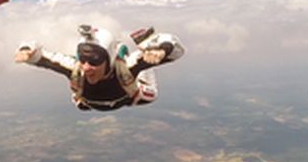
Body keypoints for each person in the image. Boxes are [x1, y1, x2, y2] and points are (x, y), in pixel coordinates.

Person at [15, 25, 185, 111]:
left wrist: (162, 50)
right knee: (80, 103)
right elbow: (40, 54)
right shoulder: (75, 68)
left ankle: (147, 42)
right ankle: (144, 47)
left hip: (130, 96)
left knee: (149, 94)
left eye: (94, 61)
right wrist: (26, 51)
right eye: (82, 59)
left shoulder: (127, 67)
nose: (87, 67)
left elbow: (178, 51)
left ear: (109, 60)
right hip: (91, 102)